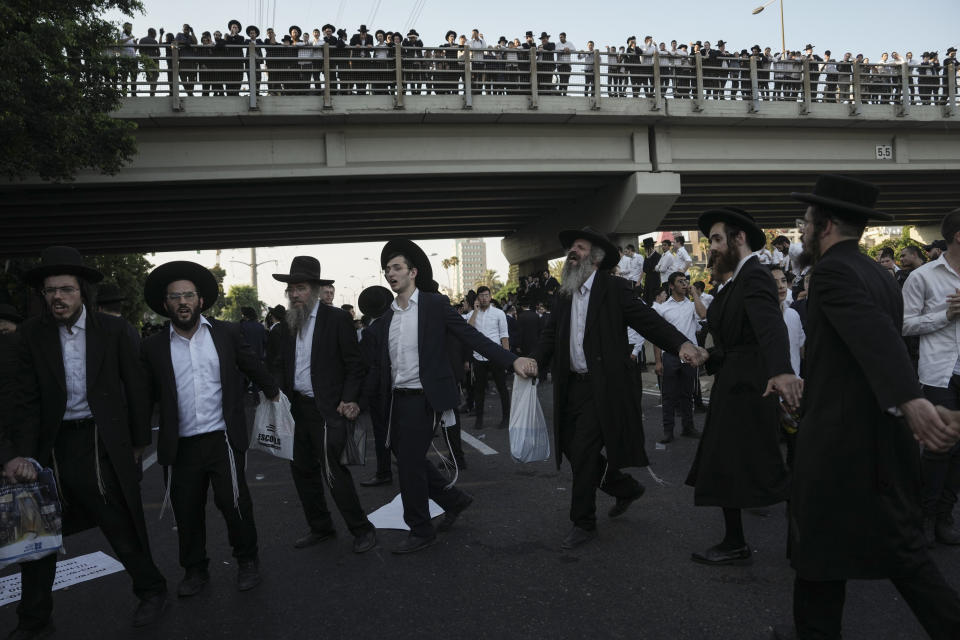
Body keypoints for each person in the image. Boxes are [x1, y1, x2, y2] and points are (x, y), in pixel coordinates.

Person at [778, 175, 960, 640]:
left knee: (820, 558)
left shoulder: (834, 271)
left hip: (840, 448)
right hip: (878, 441)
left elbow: (874, 336)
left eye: (806, 220)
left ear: (827, 224)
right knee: (901, 556)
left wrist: (912, 399)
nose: (801, 229)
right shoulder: (878, 272)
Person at [11, 246, 167, 637]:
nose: (57, 298)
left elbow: (137, 387)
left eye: (65, 289)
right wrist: (19, 455)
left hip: (99, 443)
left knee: (119, 523)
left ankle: (151, 590)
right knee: (36, 534)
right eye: (50, 291)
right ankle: (34, 619)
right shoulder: (30, 335)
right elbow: (23, 398)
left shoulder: (113, 330)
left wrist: (137, 442)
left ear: (82, 292)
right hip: (50, 447)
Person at [531, 227, 708, 549]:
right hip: (571, 387)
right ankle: (623, 487)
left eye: (580, 248)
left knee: (583, 451)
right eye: (572, 247)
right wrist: (533, 362)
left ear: (596, 259)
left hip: (602, 388)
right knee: (571, 448)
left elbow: (648, 322)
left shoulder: (615, 289)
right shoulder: (564, 294)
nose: (573, 252)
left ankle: (582, 521)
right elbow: (550, 335)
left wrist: (682, 343)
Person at [364, 239, 536, 553]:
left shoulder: (433, 304)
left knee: (410, 465)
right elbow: (378, 366)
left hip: (423, 398)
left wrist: (512, 360)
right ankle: (454, 500)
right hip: (396, 400)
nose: (390, 273)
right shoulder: (387, 318)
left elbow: (471, 336)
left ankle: (420, 529)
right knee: (406, 457)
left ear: (413, 272)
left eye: (397, 268)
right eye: (387, 269)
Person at [140, 262, 279, 596]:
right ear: (166, 304)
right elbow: (144, 396)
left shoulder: (227, 333)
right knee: (186, 511)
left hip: (223, 439)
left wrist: (276, 394)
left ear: (201, 300)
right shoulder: (152, 347)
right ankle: (195, 570)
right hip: (181, 444)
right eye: (176, 297)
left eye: (189, 295)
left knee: (234, 504)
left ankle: (247, 561)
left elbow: (252, 365)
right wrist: (136, 441)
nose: (183, 302)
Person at [685, 208, 802, 566]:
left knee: (764, 468)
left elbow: (770, 327)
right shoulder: (735, 280)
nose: (712, 248)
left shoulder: (754, 276)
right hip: (733, 382)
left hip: (751, 389)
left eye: (717, 239)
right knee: (730, 465)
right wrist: (710, 355)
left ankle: (811, 537)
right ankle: (735, 541)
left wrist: (782, 372)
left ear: (739, 239)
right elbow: (739, 338)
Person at [267, 256, 377, 554]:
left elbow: (355, 366)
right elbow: (279, 364)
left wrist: (350, 398)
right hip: (296, 410)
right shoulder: (287, 324)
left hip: (327, 410)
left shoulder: (336, 320)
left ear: (315, 289)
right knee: (302, 471)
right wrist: (277, 392)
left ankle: (361, 529)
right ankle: (321, 527)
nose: (294, 294)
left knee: (334, 472)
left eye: (300, 288)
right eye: (291, 289)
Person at [902, 208, 960, 547]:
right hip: (940, 374)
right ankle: (921, 518)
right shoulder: (923, 276)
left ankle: (945, 516)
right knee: (939, 448)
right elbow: (905, 323)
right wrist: (946, 314)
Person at [653, 272, 706, 443]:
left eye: (686, 281)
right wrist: (658, 361)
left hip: (690, 356)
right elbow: (657, 337)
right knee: (668, 395)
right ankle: (668, 431)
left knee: (687, 394)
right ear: (671, 286)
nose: (684, 284)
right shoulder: (663, 308)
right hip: (670, 356)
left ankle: (688, 427)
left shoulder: (691, 305)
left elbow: (703, 314)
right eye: (680, 281)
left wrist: (695, 294)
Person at [356, 285, 397, 487]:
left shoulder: (371, 332)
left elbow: (369, 367)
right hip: (401, 387)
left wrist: (362, 399)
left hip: (380, 392)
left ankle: (384, 472)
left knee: (382, 434)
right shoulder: (397, 322)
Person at [465, 286, 510, 429]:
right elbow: (468, 330)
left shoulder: (499, 313)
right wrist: (476, 311)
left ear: (490, 297)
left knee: (502, 387)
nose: (484, 298)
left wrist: (507, 358)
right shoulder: (473, 313)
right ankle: (479, 420)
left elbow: (504, 335)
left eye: (486, 295)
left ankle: (506, 418)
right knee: (478, 390)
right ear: (478, 298)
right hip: (479, 357)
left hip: (496, 355)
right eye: (481, 296)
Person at [641, 237, 662, 305]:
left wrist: (648, 260)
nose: (645, 250)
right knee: (646, 298)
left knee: (653, 298)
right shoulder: (646, 256)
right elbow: (645, 269)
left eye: (646, 248)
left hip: (655, 280)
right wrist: (647, 258)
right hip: (648, 280)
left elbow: (654, 269)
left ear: (651, 247)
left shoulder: (658, 256)